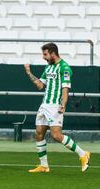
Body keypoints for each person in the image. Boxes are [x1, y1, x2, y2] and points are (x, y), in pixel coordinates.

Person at [24, 42, 90, 173]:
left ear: (53, 53)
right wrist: (29, 73)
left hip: (55, 106)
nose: (44, 57)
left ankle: (83, 154)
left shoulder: (64, 68)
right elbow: (40, 86)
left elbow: (65, 89)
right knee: (38, 133)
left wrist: (63, 105)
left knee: (56, 135)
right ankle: (44, 166)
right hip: (44, 105)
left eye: (45, 54)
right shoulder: (48, 68)